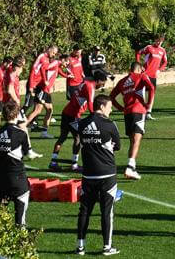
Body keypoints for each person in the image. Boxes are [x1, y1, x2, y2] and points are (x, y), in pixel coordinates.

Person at [74, 94, 122, 256]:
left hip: (88, 174)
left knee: (85, 210)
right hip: (107, 174)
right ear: (102, 106)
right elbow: (118, 146)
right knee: (106, 211)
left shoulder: (82, 123)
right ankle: (107, 247)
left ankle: (80, 246)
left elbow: (78, 141)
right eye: (109, 107)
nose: (111, 109)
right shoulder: (109, 124)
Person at [50, 70, 104, 172]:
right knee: (78, 138)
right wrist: (96, 116)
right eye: (103, 83)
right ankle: (74, 165)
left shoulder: (85, 82)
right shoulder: (90, 87)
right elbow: (91, 104)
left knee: (62, 137)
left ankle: (53, 162)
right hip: (74, 115)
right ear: (99, 80)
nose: (102, 86)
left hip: (66, 112)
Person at [110, 62, 155, 181]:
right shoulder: (141, 76)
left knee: (132, 140)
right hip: (138, 111)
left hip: (128, 112)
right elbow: (151, 88)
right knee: (137, 139)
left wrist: (121, 108)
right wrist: (149, 104)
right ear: (139, 69)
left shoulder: (122, 81)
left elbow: (111, 97)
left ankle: (132, 168)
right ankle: (130, 167)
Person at [0, 100, 32, 227]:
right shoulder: (21, 133)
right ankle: (21, 243)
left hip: (2, 180)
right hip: (18, 180)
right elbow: (26, 153)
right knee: (20, 221)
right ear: (17, 114)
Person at [27, 46, 61, 136]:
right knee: (35, 110)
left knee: (49, 110)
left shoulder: (47, 59)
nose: (53, 55)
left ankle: (44, 132)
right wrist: (31, 85)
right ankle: (22, 125)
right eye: (53, 52)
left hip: (42, 86)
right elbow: (34, 69)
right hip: (38, 86)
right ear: (49, 50)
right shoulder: (42, 56)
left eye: (55, 54)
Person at [136, 36, 168, 114]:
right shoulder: (149, 47)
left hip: (154, 75)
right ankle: (141, 108)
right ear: (155, 40)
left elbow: (165, 62)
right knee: (141, 91)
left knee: (152, 92)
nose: (159, 43)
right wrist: (139, 65)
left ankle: (149, 112)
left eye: (161, 42)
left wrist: (159, 70)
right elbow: (138, 53)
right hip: (145, 74)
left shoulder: (163, 51)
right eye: (158, 41)